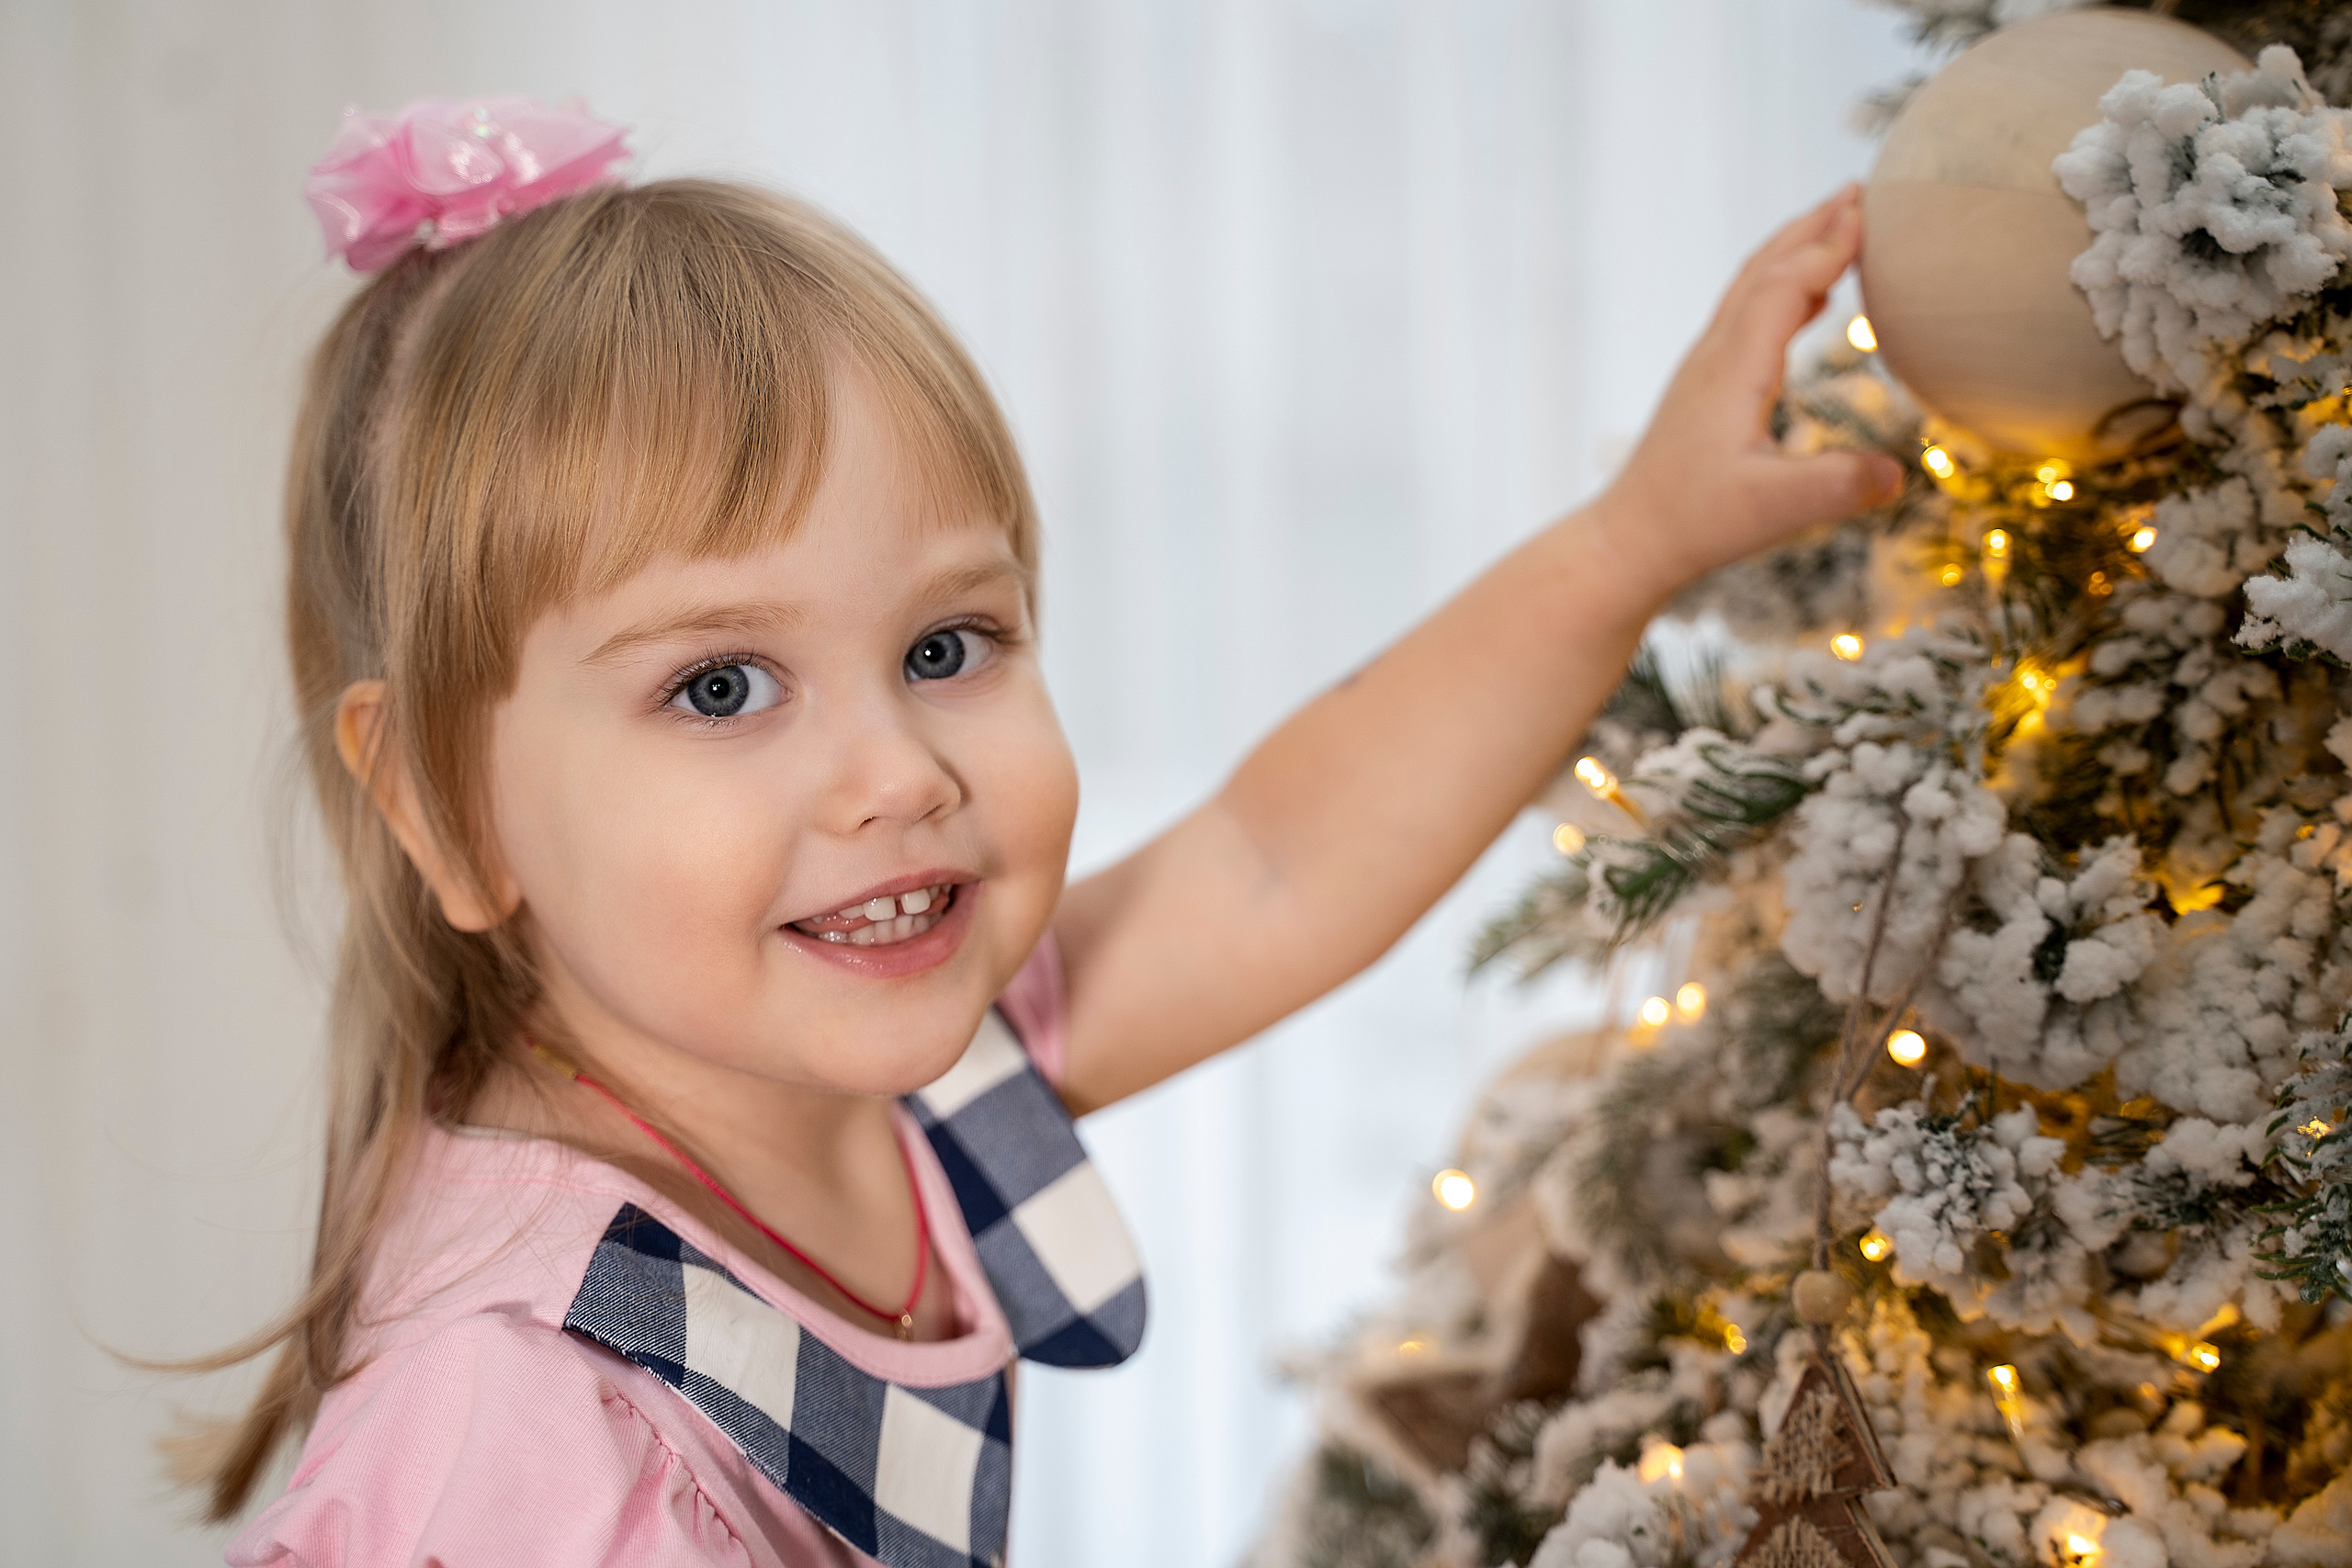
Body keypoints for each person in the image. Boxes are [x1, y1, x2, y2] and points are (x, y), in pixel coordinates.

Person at [198, 96, 1903, 1567]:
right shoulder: (521, 1422)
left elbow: (1275, 860)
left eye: (947, 648)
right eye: (722, 688)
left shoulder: (854, 1052)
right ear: (438, 798)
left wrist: (1631, 541)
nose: (898, 775)